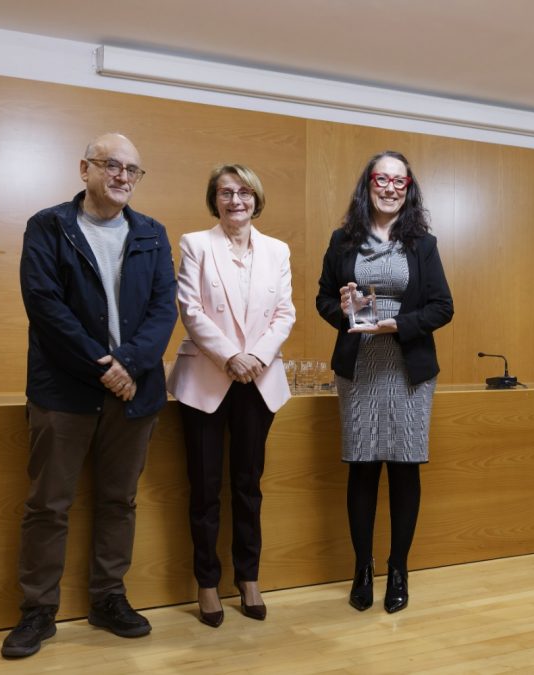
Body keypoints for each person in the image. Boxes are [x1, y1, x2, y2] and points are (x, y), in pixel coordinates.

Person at [4, 133, 177, 658]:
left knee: (118, 501)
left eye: (133, 169)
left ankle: (108, 599)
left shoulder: (151, 232)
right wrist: (105, 367)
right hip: (64, 392)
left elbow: (163, 309)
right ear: (85, 169)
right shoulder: (49, 226)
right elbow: (45, 306)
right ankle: (37, 611)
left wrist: (130, 364)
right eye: (111, 165)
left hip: (135, 394)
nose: (122, 176)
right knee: (48, 505)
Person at [315, 150, 453, 614]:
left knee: (403, 467)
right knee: (362, 466)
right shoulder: (342, 240)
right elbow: (323, 301)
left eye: (400, 180)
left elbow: (442, 307)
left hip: (408, 369)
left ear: (408, 187)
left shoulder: (423, 243)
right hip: (360, 367)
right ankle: (362, 568)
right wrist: (347, 309)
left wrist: (399, 325)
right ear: (368, 184)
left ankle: (398, 569)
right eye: (382, 178)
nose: (390, 187)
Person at [167, 164, 296, 627]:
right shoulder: (195, 244)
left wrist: (257, 356)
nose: (235, 200)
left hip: (258, 381)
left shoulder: (277, 250)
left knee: (248, 485)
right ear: (214, 199)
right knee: (203, 489)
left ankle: (249, 578)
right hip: (207, 380)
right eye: (226, 192)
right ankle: (206, 583)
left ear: (256, 198)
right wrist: (230, 357)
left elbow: (285, 312)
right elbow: (191, 309)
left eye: (244, 192)